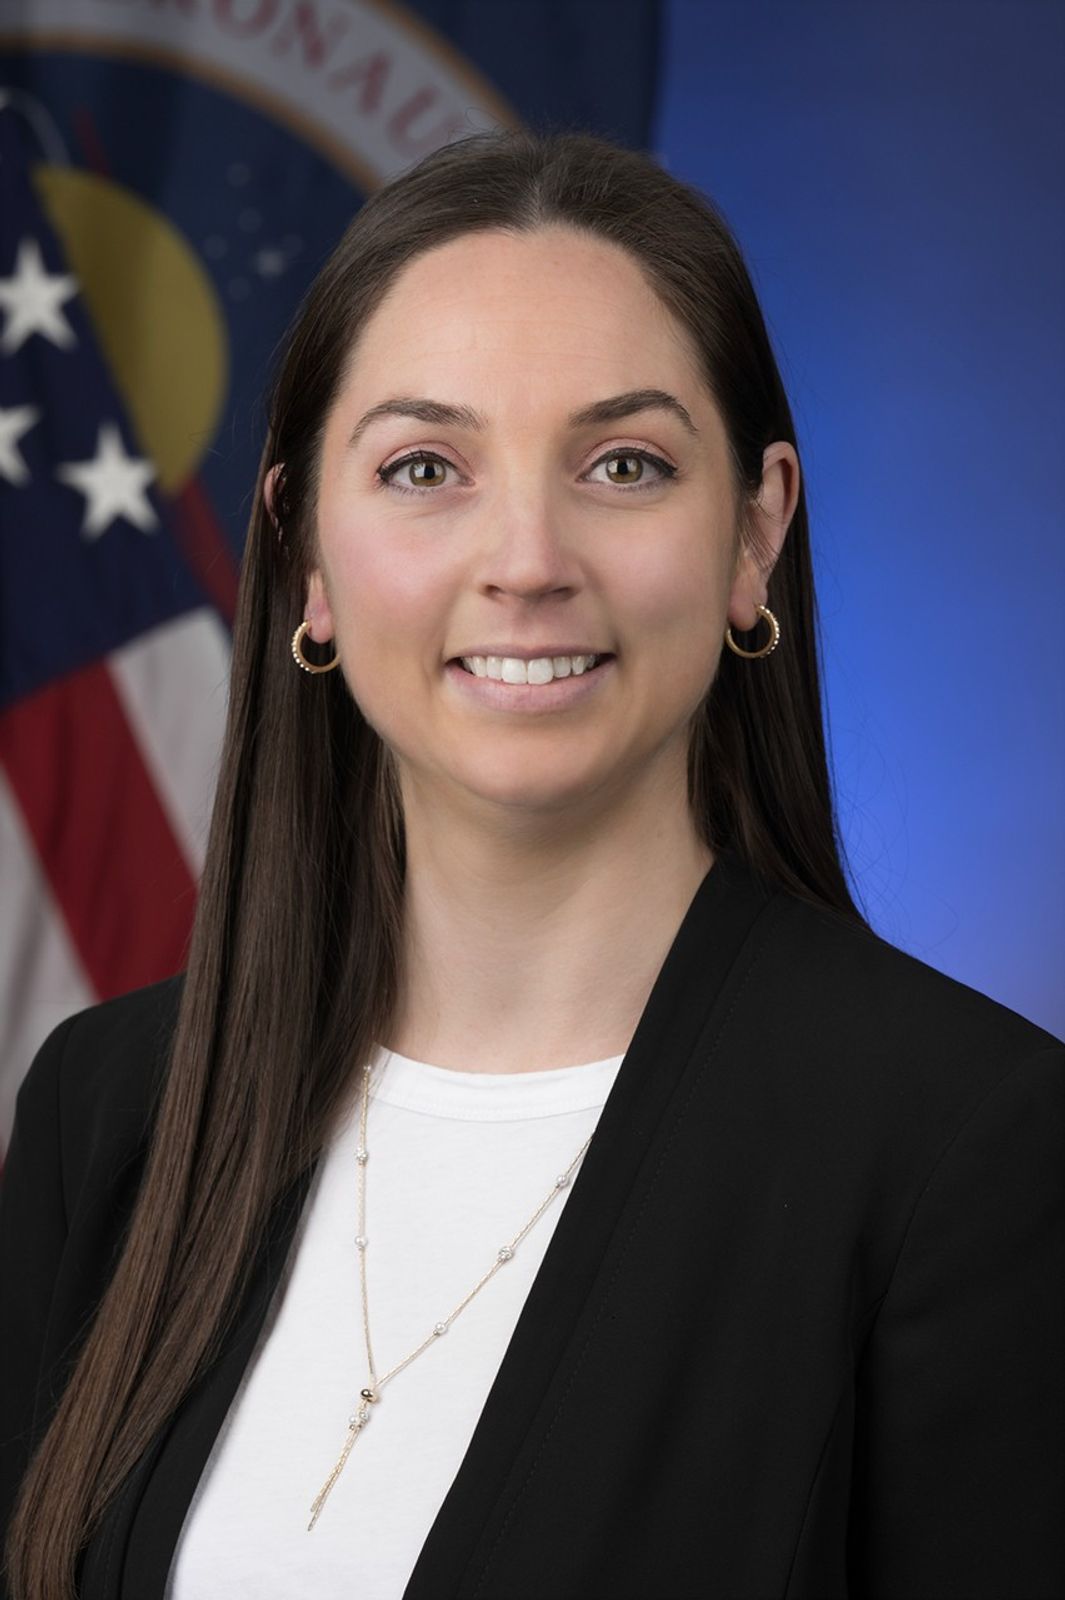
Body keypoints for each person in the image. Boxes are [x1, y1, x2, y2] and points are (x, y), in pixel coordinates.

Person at [1, 127, 1062, 1600]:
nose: (525, 557)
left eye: (622, 463)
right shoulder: (108, 1109)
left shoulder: (969, 1147)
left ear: (753, 532)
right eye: (424, 465)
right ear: (303, 547)